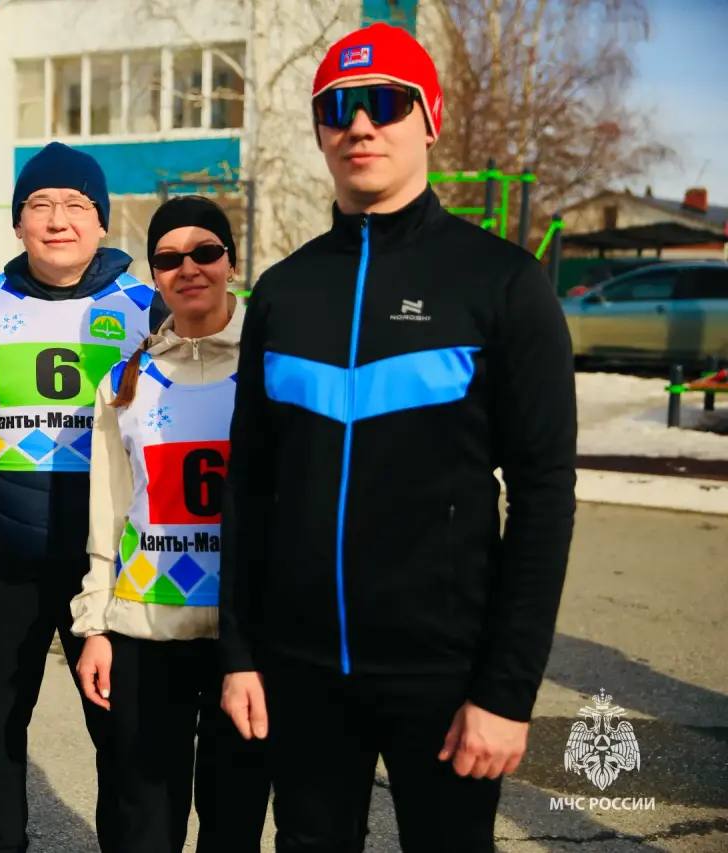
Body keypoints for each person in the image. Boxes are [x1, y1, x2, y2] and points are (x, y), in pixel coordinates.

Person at [219, 23, 577, 853]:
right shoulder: (284, 292)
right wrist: (239, 653)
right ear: (319, 130)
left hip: (445, 678)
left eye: (384, 102)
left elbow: (544, 498)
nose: (359, 125)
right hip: (300, 671)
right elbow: (250, 487)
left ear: (431, 118)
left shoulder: (502, 283)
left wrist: (507, 691)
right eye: (338, 107)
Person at [0, 141, 164, 853]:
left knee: (124, 731)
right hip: (5, 559)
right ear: (18, 223)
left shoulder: (149, 309)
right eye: (39, 205)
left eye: (76, 205)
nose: (58, 219)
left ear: (102, 221)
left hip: (114, 566)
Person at [71, 196, 270, 853]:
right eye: (168, 258)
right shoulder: (125, 382)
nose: (188, 268)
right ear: (154, 276)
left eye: (205, 252)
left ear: (231, 262)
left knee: (234, 821)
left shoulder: (272, 369)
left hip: (246, 637)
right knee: (145, 826)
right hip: (147, 630)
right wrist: (94, 626)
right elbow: (107, 515)